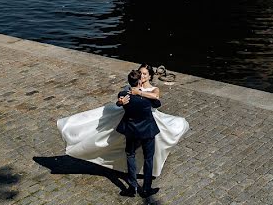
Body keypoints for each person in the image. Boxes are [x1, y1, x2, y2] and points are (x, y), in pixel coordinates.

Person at [56, 65, 190, 189]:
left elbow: (156, 97)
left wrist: (139, 93)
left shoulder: (154, 89)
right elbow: (121, 98)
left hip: (148, 122)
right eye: (140, 73)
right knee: (129, 151)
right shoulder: (129, 88)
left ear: (149, 76)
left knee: (149, 152)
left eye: (144, 74)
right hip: (133, 123)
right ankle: (137, 182)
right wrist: (120, 102)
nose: (142, 76)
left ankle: (140, 182)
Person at [116, 69, 160, 197]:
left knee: (130, 155)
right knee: (148, 158)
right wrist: (143, 93)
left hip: (131, 131)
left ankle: (132, 187)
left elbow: (119, 102)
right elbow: (157, 103)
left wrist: (120, 102)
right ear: (140, 82)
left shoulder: (124, 94)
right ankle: (146, 188)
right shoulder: (148, 99)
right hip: (147, 131)